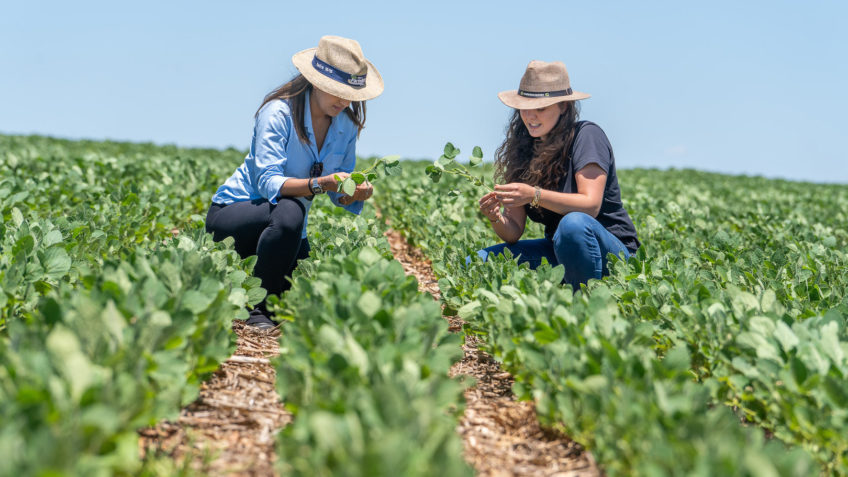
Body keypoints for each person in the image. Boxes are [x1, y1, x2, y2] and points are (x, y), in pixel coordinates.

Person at [206, 36, 383, 330]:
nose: (344, 101)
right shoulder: (278, 112)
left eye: (350, 93)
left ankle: (265, 300)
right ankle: (256, 311)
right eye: (337, 91)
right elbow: (267, 183)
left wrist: (354, 193)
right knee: (290, 212)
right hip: (235, 215)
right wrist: (321, 183)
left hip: (285, 224)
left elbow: (338, 190)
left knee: (298, 276)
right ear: (315, 81)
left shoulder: (346, 126)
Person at [474, 60, 640, 290]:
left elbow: (590, 206)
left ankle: (584, 302)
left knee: (573, 225)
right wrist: (495, 217)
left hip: (615, 256)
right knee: (477, 262)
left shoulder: (586, 136)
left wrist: (534, 195)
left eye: (540, 108)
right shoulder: (522, 150)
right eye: (524, 107)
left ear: (563, 107)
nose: (530, 116)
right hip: (561, 252)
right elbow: (513, 232)